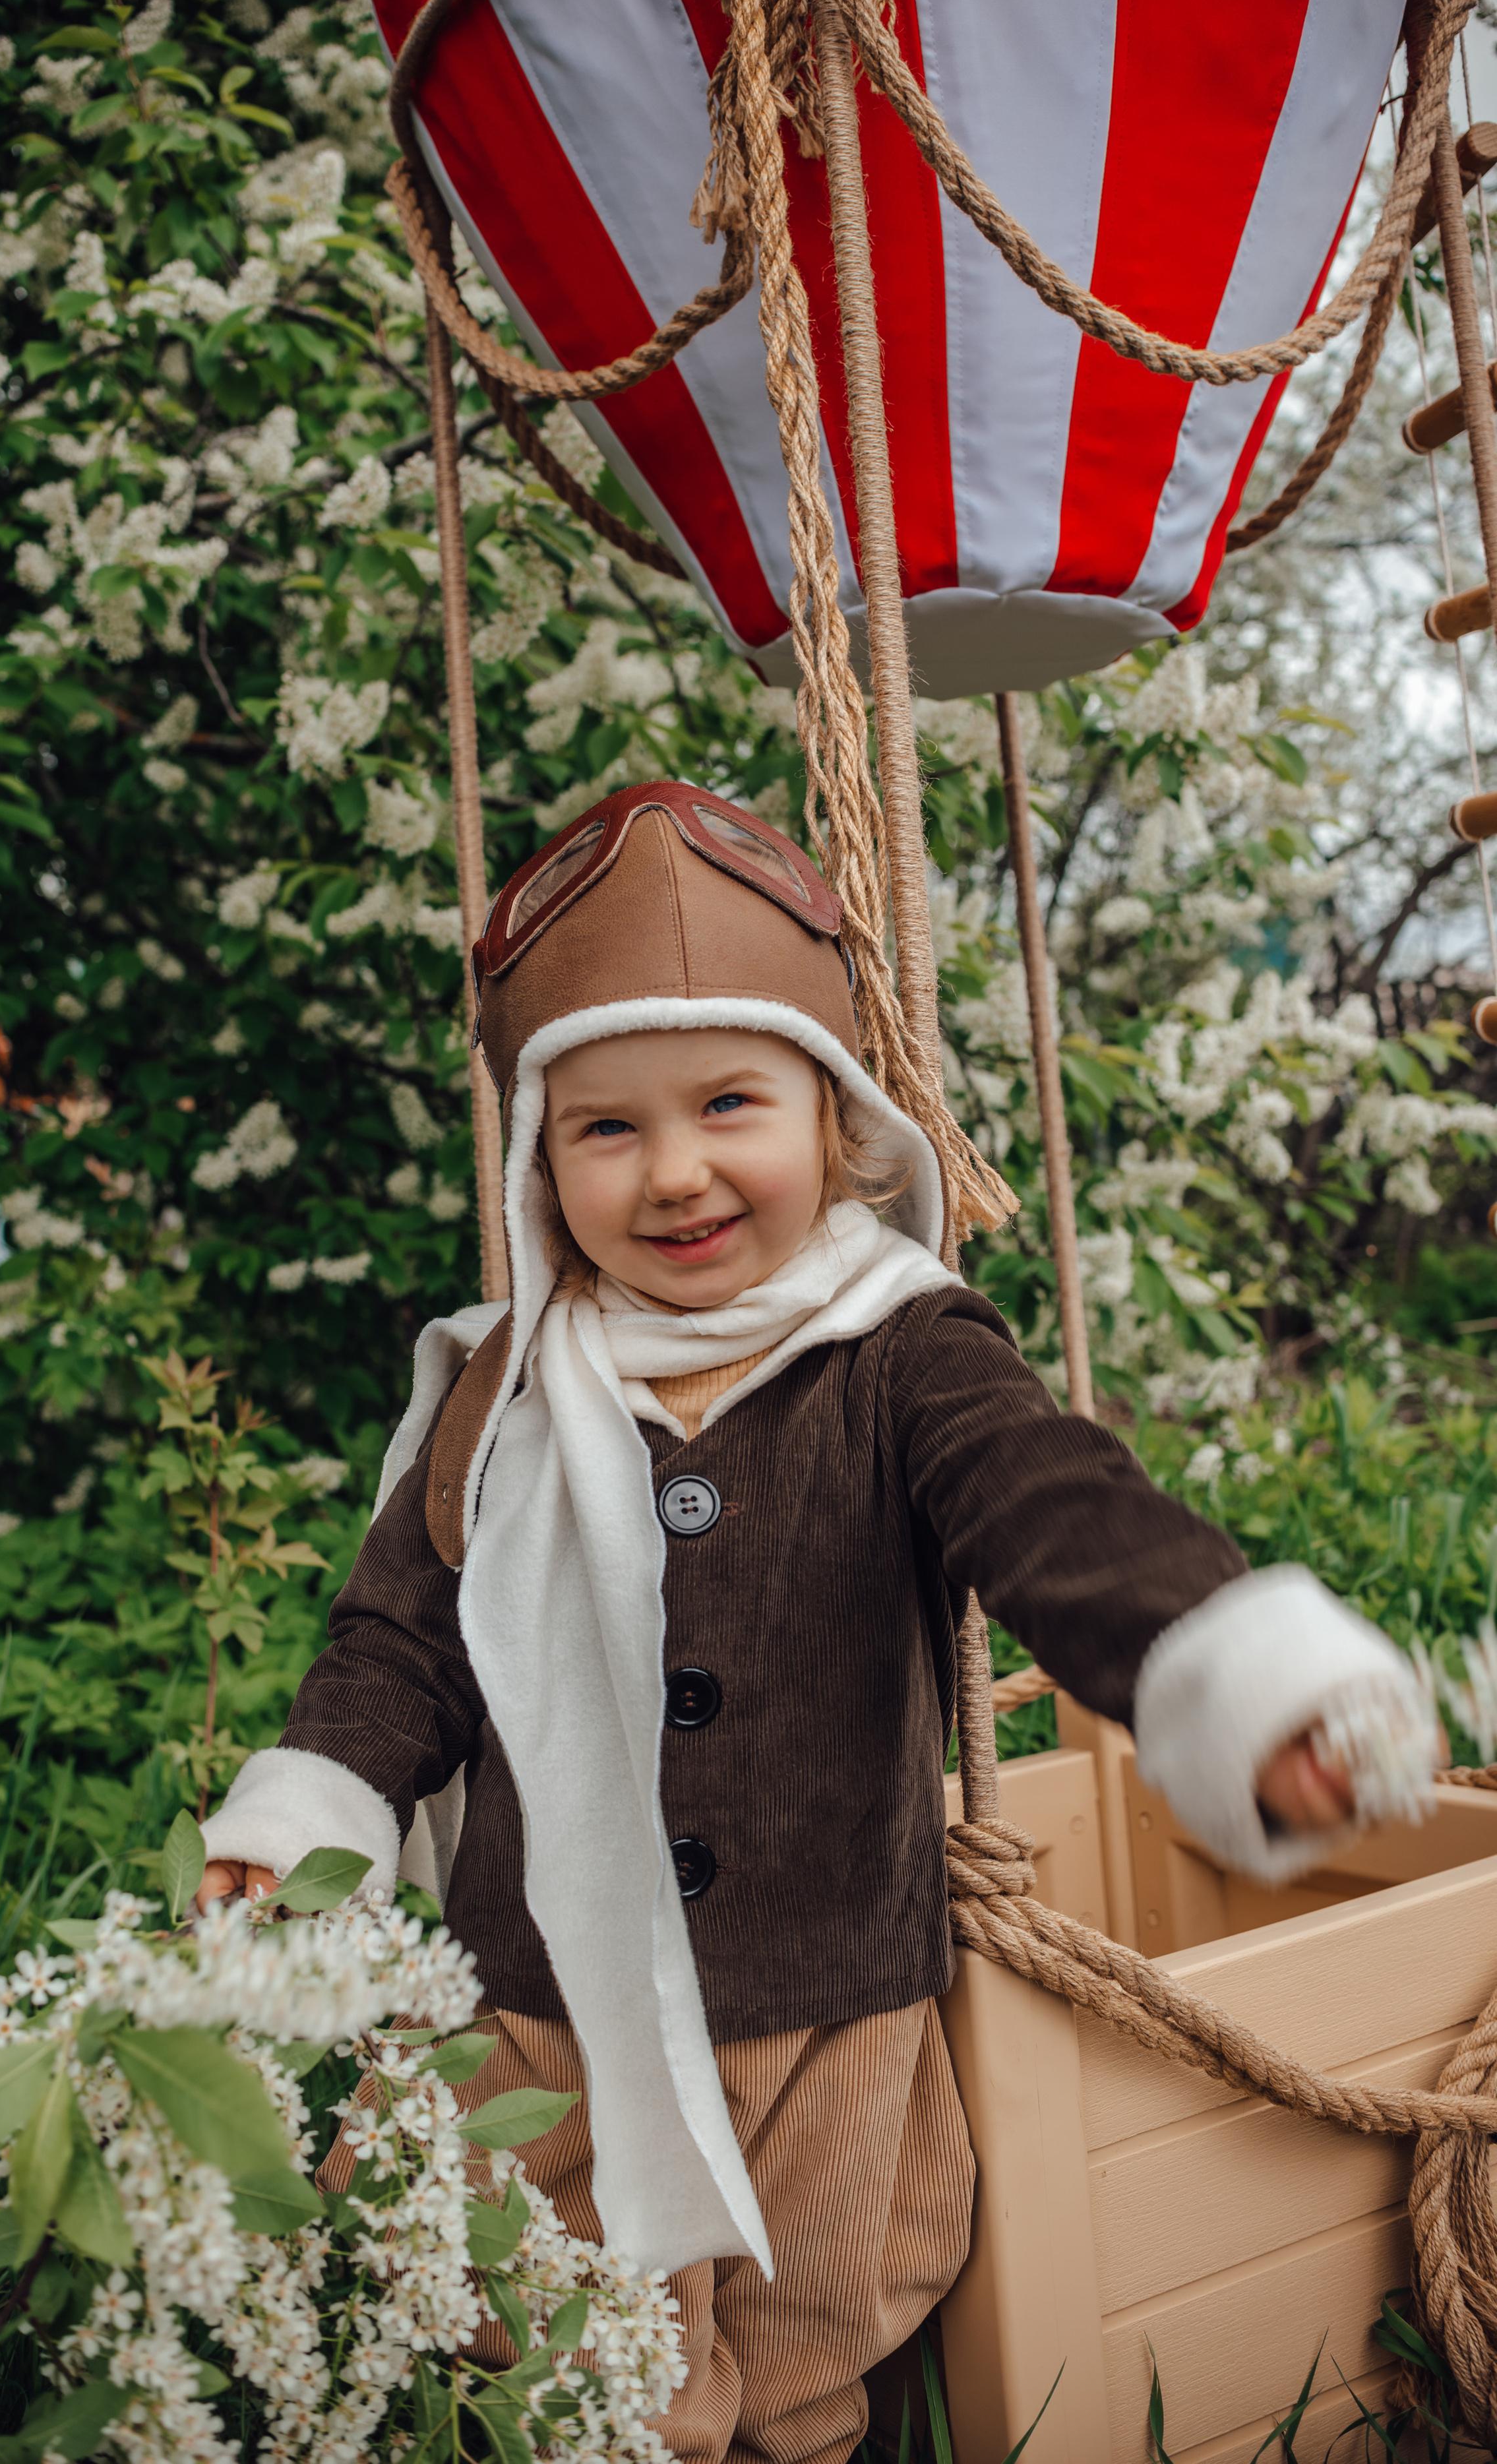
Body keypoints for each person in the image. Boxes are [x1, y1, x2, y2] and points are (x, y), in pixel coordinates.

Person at [197, 780, 1436, 2464]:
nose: (678, 1171)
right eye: (606, 1126)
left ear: (837, 1119)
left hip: (830, 2010)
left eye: (728, 1102)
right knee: (568, 2358)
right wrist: (309, 1819)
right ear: (538, 1163)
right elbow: (400, 1646)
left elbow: (1049, 1506)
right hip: (548, 2007)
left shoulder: (896, 1350)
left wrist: (1226, 1675)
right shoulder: (511, 1391)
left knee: (806, 2352)